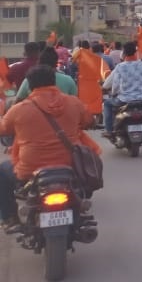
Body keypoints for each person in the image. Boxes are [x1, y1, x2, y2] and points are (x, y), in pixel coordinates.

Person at [0, 65, 101, 229]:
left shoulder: (19, 109)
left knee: (3, 172)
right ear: (53, 82)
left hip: (29, 169)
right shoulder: (73, 103)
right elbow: (89, 121)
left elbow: (3, 129)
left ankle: (9, 218)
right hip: (71, 165)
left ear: (30, 86)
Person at [101, 41, 142, 138]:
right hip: (140, 98)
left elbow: (116, 85)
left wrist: (113, 93)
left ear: (124, 53)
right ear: (135, 52)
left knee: (107, 104)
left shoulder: (120, 67)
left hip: (123, 100)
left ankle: (109, 130)